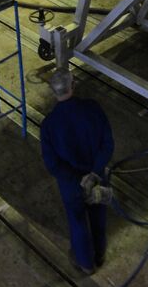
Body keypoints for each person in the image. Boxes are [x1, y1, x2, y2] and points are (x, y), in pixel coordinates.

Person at [41, 69, 114, 274]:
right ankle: (100, 254)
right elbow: (107, 144)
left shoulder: (49, 125)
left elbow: (52, 164)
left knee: (77, 221)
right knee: (98, 215)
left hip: (71, 185)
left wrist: (76, 179)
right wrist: (94, 174)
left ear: (53, 91)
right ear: (73, 85)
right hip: (97, 177)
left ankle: (85, 263)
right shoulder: (93, 108)